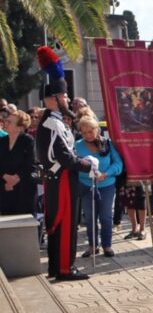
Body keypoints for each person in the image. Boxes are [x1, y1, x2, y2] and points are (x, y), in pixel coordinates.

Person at [35, 47, 98, 280]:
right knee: (64, 223)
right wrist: (87, 164)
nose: (67, 99)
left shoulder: (56, 121)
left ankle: (58, 266)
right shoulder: (51, 124)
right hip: (61, 179)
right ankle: (63, 268)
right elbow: (63, 157)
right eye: (63, 96)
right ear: (51, 99)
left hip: (61, 178)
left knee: (63, 225)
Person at [74, 114, 123, 258]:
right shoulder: (77, 145)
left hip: (106, 184)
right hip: (86, 184)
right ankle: (93, 245)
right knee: (90, 217)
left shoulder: (106, 143)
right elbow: (74, 165)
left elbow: (118, 163)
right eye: (84, 132)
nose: (88, 135)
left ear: (97, 129)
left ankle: (107, 245)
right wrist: (88, 172)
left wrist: (106, 173)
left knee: (106, 216)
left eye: (90, 131)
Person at [0, 110, 38, 216]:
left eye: (9, 122)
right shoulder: (1, 142)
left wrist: (14, 179)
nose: (5, 123)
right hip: (5, 188)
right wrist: (5, 177)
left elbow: (30, 164)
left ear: (20, 127)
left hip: (24, 189)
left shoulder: (28, 141)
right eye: (6, 121)